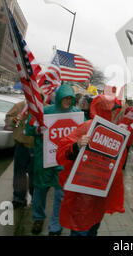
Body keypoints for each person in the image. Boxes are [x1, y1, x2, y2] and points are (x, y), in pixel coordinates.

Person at [56, 94, 126, 236]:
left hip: (98, 194)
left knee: (93, 228)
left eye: (116, 111)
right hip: (81, 194)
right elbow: (61, 153)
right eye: (112, 110)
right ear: (103, 110)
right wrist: (77, 145)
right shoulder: (86, 127)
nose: (115, 114)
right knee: (80, 229)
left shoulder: (115, 131)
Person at [25, 84, 80, 236]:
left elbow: (84, 130)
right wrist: (38, 129)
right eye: (65, 98)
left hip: (63, 162)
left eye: (70, 98)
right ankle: (38, 218)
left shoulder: (76, 113)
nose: (68, 101)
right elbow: (28, 128)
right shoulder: (44, 111)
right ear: (59, 98)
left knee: (61, 195)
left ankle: (56, 226)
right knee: (40, 191)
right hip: (45, 161)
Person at [5, 100, 34, 209]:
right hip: (21, 146)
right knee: (19, 174)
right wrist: (14, 119)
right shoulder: (20, 106)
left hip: (36, 148)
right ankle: (18, 198)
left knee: (34, 175)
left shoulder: (45, 108)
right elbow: (8, 120)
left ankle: (35, 198)